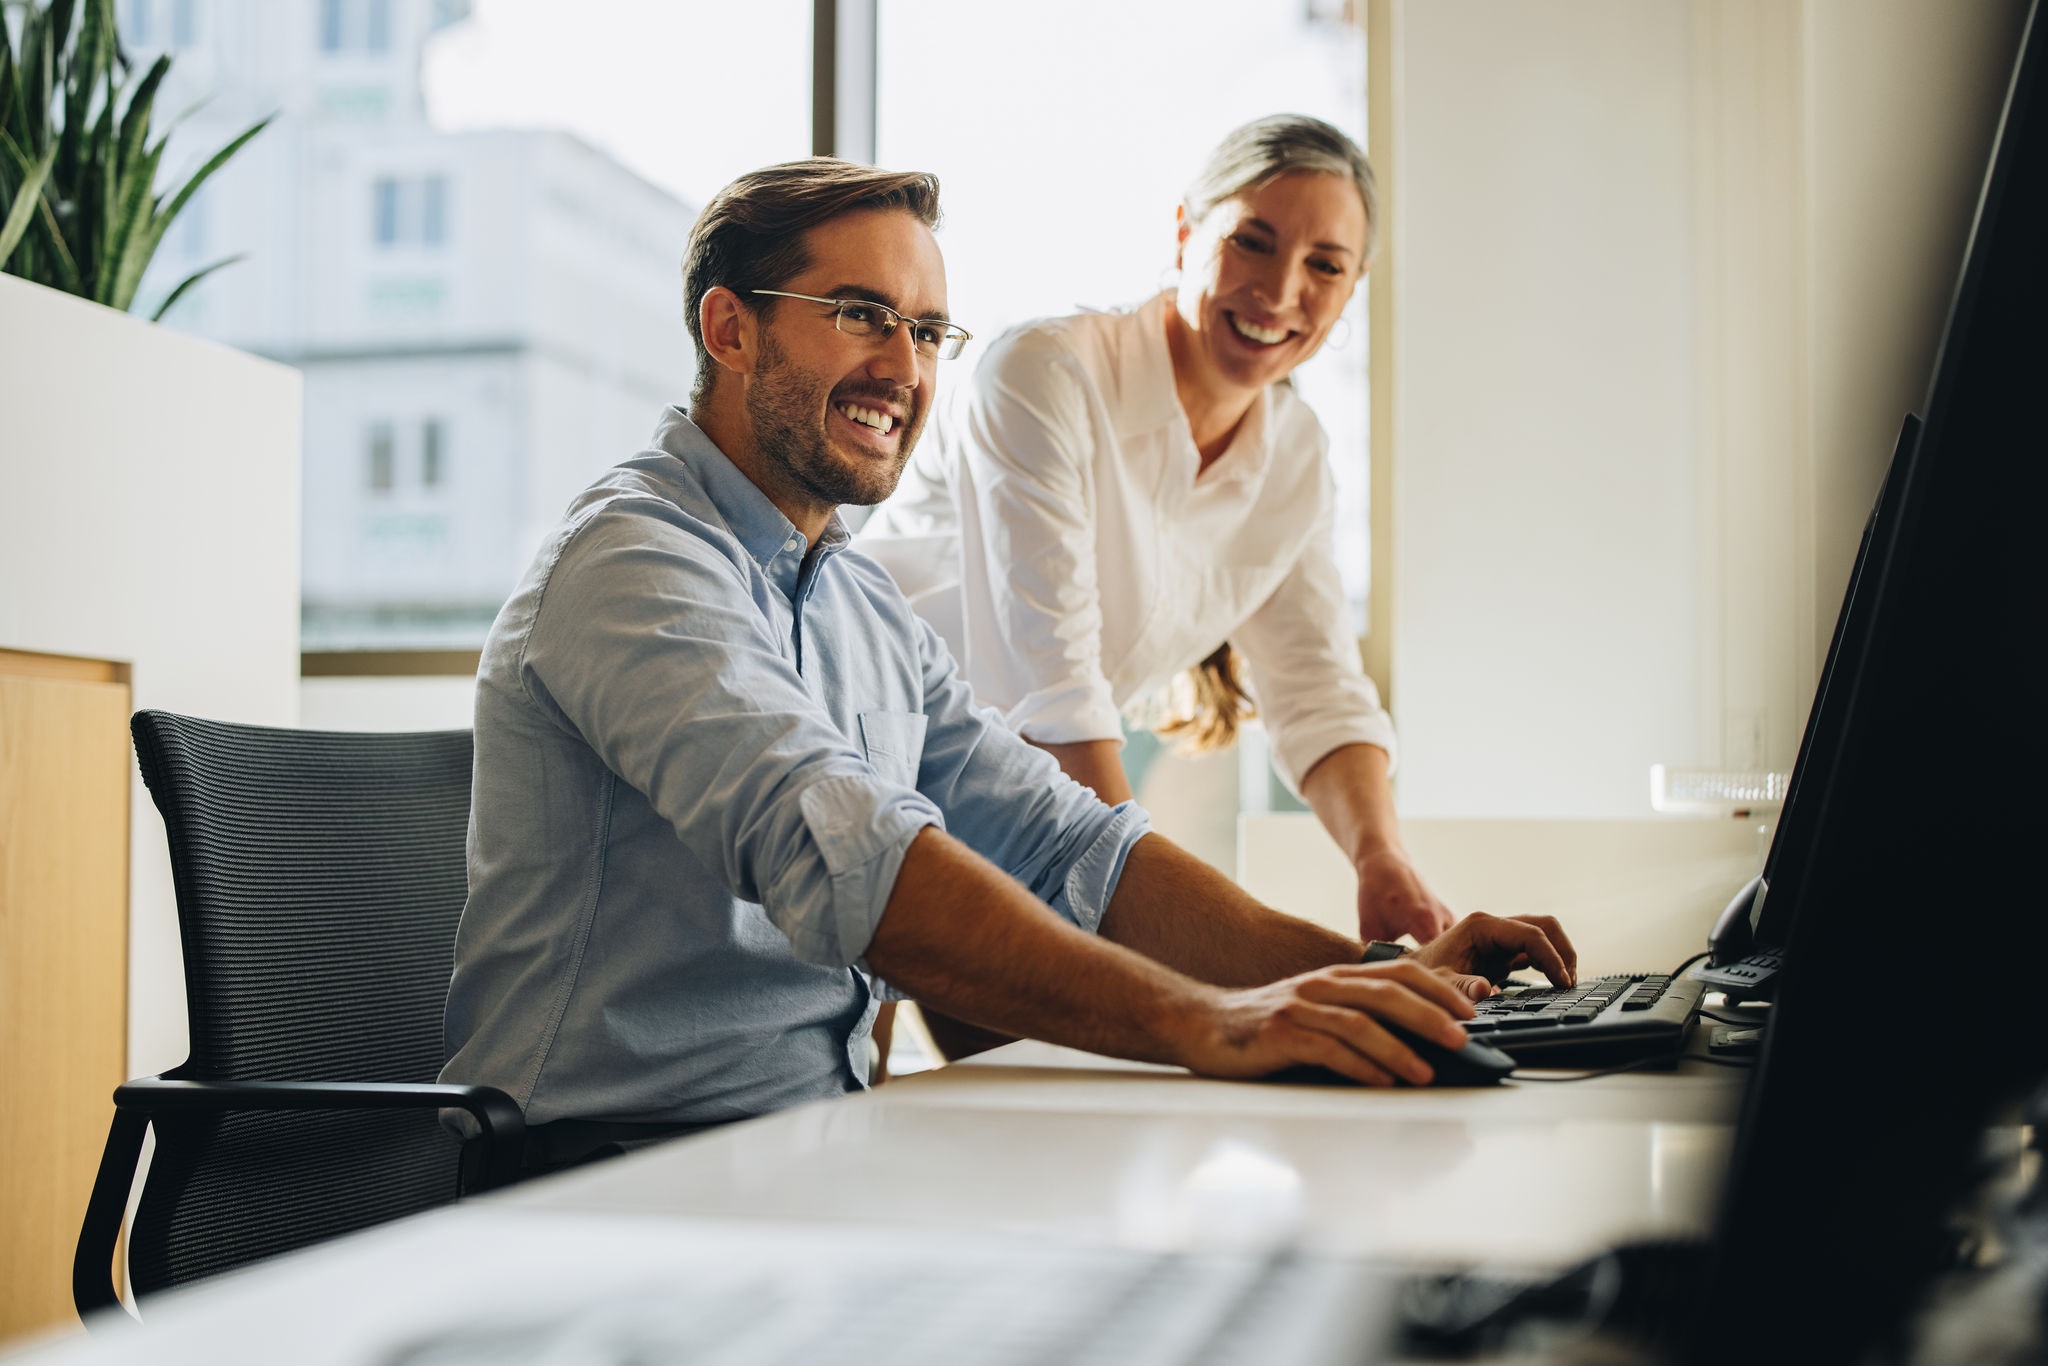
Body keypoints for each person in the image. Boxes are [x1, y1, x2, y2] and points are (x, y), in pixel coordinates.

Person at [440, 158, 1575, 1175]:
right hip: (611, 1177)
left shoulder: (857, 598)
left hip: (810, 1146)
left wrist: (1383, 976)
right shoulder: (635, 563)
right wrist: (1207, 1020)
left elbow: (1072, 838)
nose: (903, 367)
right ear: (729, 330)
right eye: (858, 314)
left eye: (927, 332)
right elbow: (851, 858)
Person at [857, 115, 1448, 950]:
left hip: (1007, 803)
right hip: (866, 769)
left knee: (1062, 1069)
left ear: (1354, 288)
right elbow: (1052, 698)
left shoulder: (1296, 456)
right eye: (1253, 242)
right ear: (1185, 232)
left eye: (1325, 265)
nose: (1281, 293)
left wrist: (1383, 861)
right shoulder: (1046, 374)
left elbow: (1317, 688)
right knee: (894, 1069)